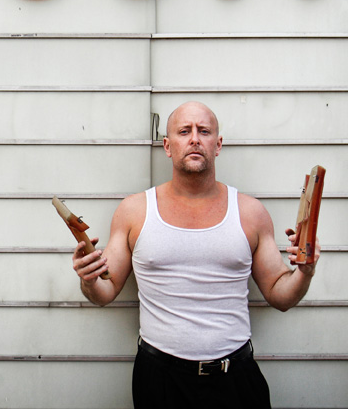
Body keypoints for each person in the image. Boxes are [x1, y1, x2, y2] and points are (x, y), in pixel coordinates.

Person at [72, 101, 319, 409]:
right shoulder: (134, 211)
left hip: (235, 378)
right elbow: (105, 292)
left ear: (217, 144)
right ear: (167, 145)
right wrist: (89, 278)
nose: (194, 139)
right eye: (184, 131)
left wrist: (304, 272)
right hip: (160, 380)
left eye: (204, 131)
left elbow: (279, 296)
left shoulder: (250, 212)